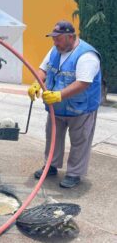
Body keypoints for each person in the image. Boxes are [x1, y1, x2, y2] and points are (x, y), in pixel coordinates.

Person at [28, 20, 101, 188]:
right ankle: (51, 166)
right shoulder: (55, 50)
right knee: (53, 136)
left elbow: (83, 83)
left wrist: (59, 95)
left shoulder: (86, 55)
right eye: (53, 38)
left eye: (58, 39)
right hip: (57, 107)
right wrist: (36, 83)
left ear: (70, 37)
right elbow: (43, 69)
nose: (55, 42)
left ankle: (74, 173)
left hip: (80, 108)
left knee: (79, 141)